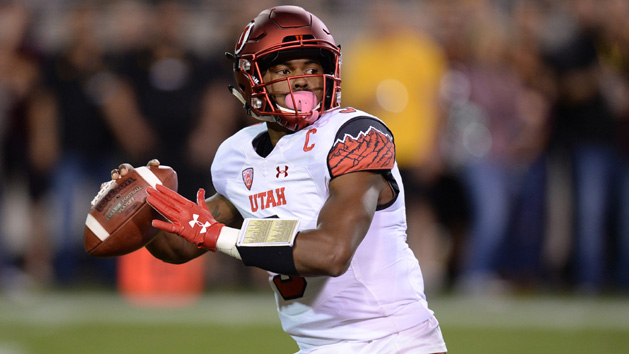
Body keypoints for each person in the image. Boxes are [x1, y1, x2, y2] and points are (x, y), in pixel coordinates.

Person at [107, 6, 447, 353]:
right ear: (250, 79)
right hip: (318, 346)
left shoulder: (355, 135)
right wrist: (141, 205)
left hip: (392, 343)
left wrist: (217, 235)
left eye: (312, 67)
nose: (300, 79)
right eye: (284, 68)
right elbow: (180, 245)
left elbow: (332, 252)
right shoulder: (238, 154)